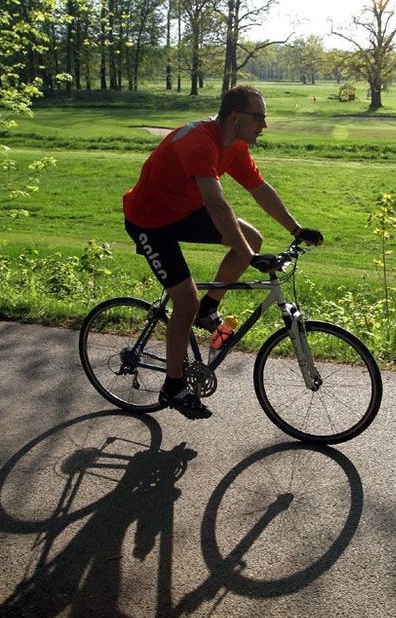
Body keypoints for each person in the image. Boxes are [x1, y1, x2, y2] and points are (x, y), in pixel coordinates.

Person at [123, 84, 324, 420]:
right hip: (149, 221)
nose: (265, 124)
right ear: (236, 117)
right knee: (184, 300)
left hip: (182, 211)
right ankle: (173, 386)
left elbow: (259, 189)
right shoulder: (199, 142)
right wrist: (247, 256)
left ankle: (209, 308)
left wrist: (296, 229)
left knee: (252, 238)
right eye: (259, 117)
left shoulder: (235, 146)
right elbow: (217, 204)